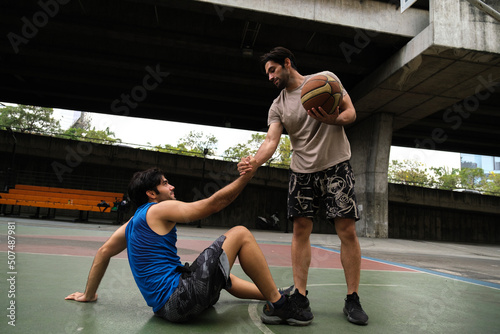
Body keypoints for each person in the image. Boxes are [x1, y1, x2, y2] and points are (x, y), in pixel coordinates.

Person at [65, 163, 313, 326]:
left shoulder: (133, 222)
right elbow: (212, 205)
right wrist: (246, 177)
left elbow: (103, 252)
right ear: (152, 193)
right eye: (164, 183)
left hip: (166, 309)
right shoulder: (160, 209)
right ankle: (280, 306)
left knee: (217, 272)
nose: (171, 186)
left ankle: (274, 294)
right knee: (240, 233)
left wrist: (88, 295)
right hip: (182, 297)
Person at [238, 46, 369, 325]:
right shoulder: (278, 106)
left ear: (287, 63)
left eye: (273, 70)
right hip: (302, 171)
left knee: (346, 230)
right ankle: (299, 294)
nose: (270, 77)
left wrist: (332, 119)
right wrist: (254, 162)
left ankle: (353, 298)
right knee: (300, 231)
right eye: (267, 73)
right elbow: (271, 141)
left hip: (336, 164)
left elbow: (351, 113)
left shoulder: (325, 80)